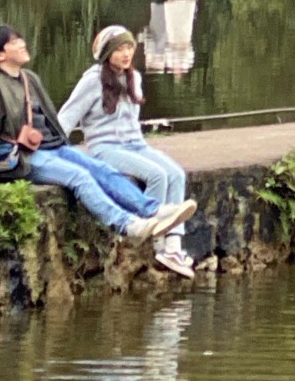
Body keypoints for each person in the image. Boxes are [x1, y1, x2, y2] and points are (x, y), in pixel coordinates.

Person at [0, 26, 194, 251]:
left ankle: (152, 211)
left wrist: (66, 148)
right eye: (14, 42)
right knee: (79, 177)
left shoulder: (28, 78)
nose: (22, 43)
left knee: (99, 168)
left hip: (49, 147)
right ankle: (127, 225)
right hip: (16, 157)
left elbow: (53, 120)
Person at [57, 26, 196, 277]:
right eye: (119, 49)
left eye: (129, 47)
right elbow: (67, 116)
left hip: (135, 144)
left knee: (176, 173)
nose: (126, 53)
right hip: (105, 147)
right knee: (156, 175)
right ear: (107, 53)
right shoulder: (92, 80)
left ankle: (173, 246)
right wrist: (51, 146)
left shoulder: (135, 77)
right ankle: (152, 235)